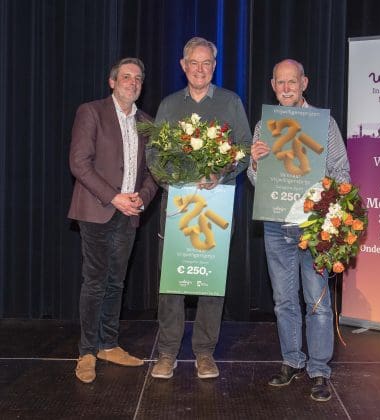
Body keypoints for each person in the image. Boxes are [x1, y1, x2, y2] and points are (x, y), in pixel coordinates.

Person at [247, 59, 350, 402]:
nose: (286, 88)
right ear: (272, 86)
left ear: (304, 83)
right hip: (276, 225)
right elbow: (256, 181)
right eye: (280, 82)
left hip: (313, 227)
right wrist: (255, 163)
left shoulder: (324, 124)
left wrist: (323, 203)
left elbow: (342, 172)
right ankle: (292, 360)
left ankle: (319, 370)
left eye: (292, 81)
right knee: (283, 301)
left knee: (317, 302)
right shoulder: (264, 126)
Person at [151, 37, 252, 380]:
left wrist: (220, 173)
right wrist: (174, 181)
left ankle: (205, 353)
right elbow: (153, 154)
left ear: (214, 66)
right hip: (177, 207)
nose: (199, 69)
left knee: (211, 281)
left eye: (206, 63)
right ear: (183, 66)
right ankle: (167, 353)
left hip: (215, 206)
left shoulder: (230, 102)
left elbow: (245, 148)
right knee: (172, 284)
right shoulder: (169, 105)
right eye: (193, 62)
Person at [68, 58, 158, 383]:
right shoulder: (91, 112)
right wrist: (114, 196)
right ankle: (87, 352)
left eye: (138, 79)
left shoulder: (147, 122)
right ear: (112, 82)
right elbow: (79, 163)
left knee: (116, 282)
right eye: (126, 77)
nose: (132, 83)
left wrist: (142, 198)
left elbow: (154, 171)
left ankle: (108, 344)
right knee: (95, 281)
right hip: (97, 209)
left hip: (129, 213)